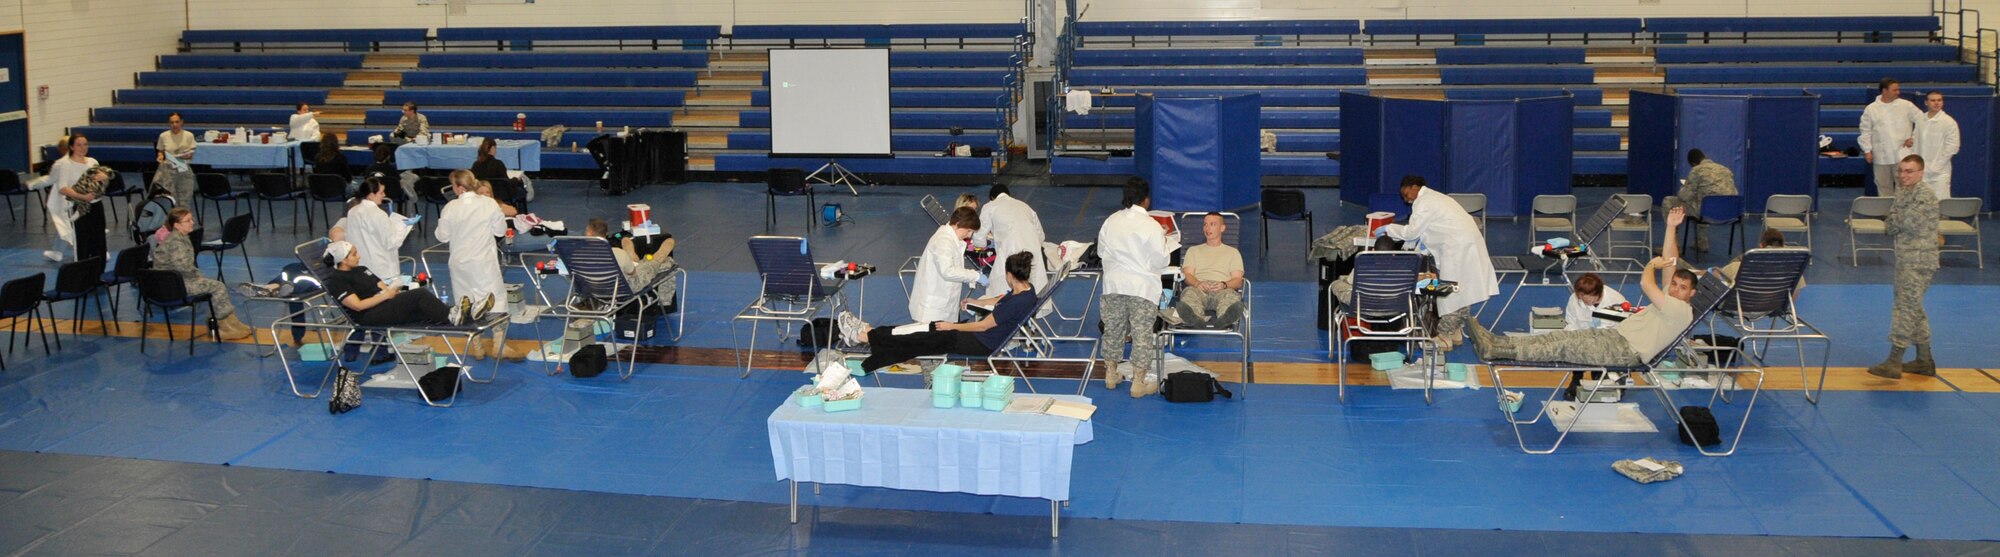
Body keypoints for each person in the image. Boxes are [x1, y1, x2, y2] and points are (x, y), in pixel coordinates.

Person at [1471, 256, 1697, 367]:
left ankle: (1496, 351)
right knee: (1558, 336)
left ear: (1692, 294)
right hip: (1615, 336)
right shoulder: (1671, 297)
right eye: (1675, 284)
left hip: (1626, 350)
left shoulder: (1680, 311)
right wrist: (1671, 226)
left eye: (1683, 287)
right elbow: (1671, 263)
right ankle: (1496, 341)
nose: (1675, 289)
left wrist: (1651, 266)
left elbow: (1647, 285)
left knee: (1560, 347)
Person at [836, 252, 1039, 372]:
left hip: (981, 342)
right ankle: (870, 335)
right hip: (980, 336)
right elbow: (1001, 299)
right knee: (924, 331)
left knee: (921, 337)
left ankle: (866, 336)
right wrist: (976, 301)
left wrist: (953, 326)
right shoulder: (1027, 290)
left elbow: (984, 324)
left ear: (1010, 275)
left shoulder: (1017, 302)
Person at [1378, 175, 1498, 351]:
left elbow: (1412, 232)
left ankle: (1444, 336)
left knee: (1450, 292)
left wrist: (1388, 229)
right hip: (1466, 245)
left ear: (1414, 186)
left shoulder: (1423, 201)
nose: (1406, 198)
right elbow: (1429, 230)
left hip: (1457, 248)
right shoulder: (1437, 198)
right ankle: (1455, 331)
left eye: (1405, 193)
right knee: (1462, 290)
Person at [1097, 178, 1171, 397]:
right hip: (1141, 287)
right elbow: (1161, 261)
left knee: (1113, 329)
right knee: (1141, 334)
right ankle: (1138, 382)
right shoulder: (1151, 225)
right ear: (1146, 199)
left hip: (1114, 284)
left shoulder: (1111, 221)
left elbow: (1101, 252)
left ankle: (1111, 373)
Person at [1870, 155, 1941, 379]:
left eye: (1909, 171)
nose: (1903, 175)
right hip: (1906, 258)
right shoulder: (1903, 193)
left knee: (1905, 309)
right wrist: (1895, 219)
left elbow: (1904, 224)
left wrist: (1895, 219)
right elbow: (1891, 226)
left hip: (1919, 261)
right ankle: (1924, 360)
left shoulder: (1924, 196)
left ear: (1921, 173)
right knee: (1914, 307)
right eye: (1901, 171)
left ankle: (1894, 359)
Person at [437, 169, 513, 360]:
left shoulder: (450, 207)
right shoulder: (488, 204)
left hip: (459, 263)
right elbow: (500, 230)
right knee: (494, 300)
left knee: (465, 303)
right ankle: (499, 344)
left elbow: (442, 236)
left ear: (459, 187)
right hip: (483, 262)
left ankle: (476, 345)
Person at [153, 208, 254, 339]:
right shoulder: (176, 242)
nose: (192, 222)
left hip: (176, 280)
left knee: (215, 285)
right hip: (174, 285)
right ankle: (224, 327)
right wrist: (197, 276)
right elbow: (182, 266)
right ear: (177, 225)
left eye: (191, 219)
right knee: (218, 287)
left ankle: (232, 323)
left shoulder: (180, 238)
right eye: (188, 220)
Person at [31, 134, 101, 262]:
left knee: (68, 228)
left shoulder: (91, 161)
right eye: (79, 145)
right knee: (67, 228)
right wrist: (32, 184)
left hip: (91, 202)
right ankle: (60, 252)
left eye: (85, 144)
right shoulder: (63, 163)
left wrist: (105, 178)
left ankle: (59, 251)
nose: (82, 148)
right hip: (71, 201)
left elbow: (49, 179)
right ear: (71, 147)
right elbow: (57, 184)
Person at [583, 217, 679, 310]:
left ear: (588, 233)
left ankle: (633, 258)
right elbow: (632, 273)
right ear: (606, 234)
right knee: (652, 264)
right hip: (622, 289)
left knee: (632, 263)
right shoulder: (617, 253)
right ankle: (656, 258)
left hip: (591, 289)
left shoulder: (578, 255)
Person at [909, 207, 984, 324]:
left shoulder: (952, 240)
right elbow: (948, 271)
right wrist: (975, 276)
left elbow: (955, 270)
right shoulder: (943, 241)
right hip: (931, 310)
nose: (969, 236)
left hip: (942, 306)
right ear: (958, 224)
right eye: (969, 230)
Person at [1170, 212, 1245, 328]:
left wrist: (1224, 285)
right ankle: (1194, 318)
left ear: (1222, 228)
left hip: (1223, 289)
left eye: (1212, 224)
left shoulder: (1233, 253)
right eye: (1205, 224)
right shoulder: (1193, 251)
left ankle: (1225, 318)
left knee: (1229, 298)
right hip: (1199, 288)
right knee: (1189, 294)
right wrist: (1197, 283)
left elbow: (1237, 280)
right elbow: (1187, 275)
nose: (1207, 228)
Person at [974, 184, 1048, 299]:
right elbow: (1041, 236)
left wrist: (985, 244)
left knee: (1002, 292)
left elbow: (978, 238)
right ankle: (1029, 313)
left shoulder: (990, 206)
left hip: (1010, 251)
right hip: (1032, 250)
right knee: (1032, 289)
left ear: (992, 198)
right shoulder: (1025, 206)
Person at [342, 176, 418, 281]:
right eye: (381, 192)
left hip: (360, 267)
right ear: (371, 195)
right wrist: (403, 226)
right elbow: (391, 242)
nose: (384, 195)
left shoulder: (352, 211)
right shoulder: (379, 215)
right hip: (381, 270)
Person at [1661, 149, 1738, 252]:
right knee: (1704, 202)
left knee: (1668, 201)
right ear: (1704, 156)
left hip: (1705, 211)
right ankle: (1702, 242)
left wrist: (1684, 187)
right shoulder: (1725, 169)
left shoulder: (1697, 170)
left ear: (1693, 163)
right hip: (1730, 212)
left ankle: (1673, 245)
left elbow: (1684, 196)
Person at [1858, 77, 1923, 197]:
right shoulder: (1871, 109)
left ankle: (1904, 211)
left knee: (1905, 184)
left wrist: (1914, 137)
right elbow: (1865, 131)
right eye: (1894, 90)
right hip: (1881, 155)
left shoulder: (1906, 105)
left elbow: (1922, 120)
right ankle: (1887, 212)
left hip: (1902, 154)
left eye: (1898, 90)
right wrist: (1867, 150)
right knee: (1883, 184)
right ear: (1884, 91)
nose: (1898, 92)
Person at [1714, 229, 1805, 291]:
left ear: (1761, 246)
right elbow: (1794, 295)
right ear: (1783, 246)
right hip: (1775, 308)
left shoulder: (1739, 267)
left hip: (1740, 308)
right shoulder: (1794, 271)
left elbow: (1716, 278)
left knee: (1714, 273)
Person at [1916, 91, 1960, 200]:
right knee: (1922, 203)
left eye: (1939, 100)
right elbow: (1916, 143)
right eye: (1933, 100)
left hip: (1940, 172)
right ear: (1926, 102)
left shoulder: (1949, 122)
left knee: (1941, 204)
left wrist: (1937, 166)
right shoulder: (1920, 119)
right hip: (1921, 171)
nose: (1936, 103)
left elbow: (1953, 147)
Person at [1563, 273, 1628, 331]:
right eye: (1582, 296)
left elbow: (1624, 326)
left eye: (1591, 297)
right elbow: (1570, 323)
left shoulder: (1616, 300)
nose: (1586, 300)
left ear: (1599, 293)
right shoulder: (1574, 298)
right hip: (1581, 334)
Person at [470, 138, 522, 209]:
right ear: (492, 148)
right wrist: (515, 179)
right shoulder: (498, 164)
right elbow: (507, 183)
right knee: (521, 190)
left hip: (482, 193)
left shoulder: (476, 164)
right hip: (500, 194)